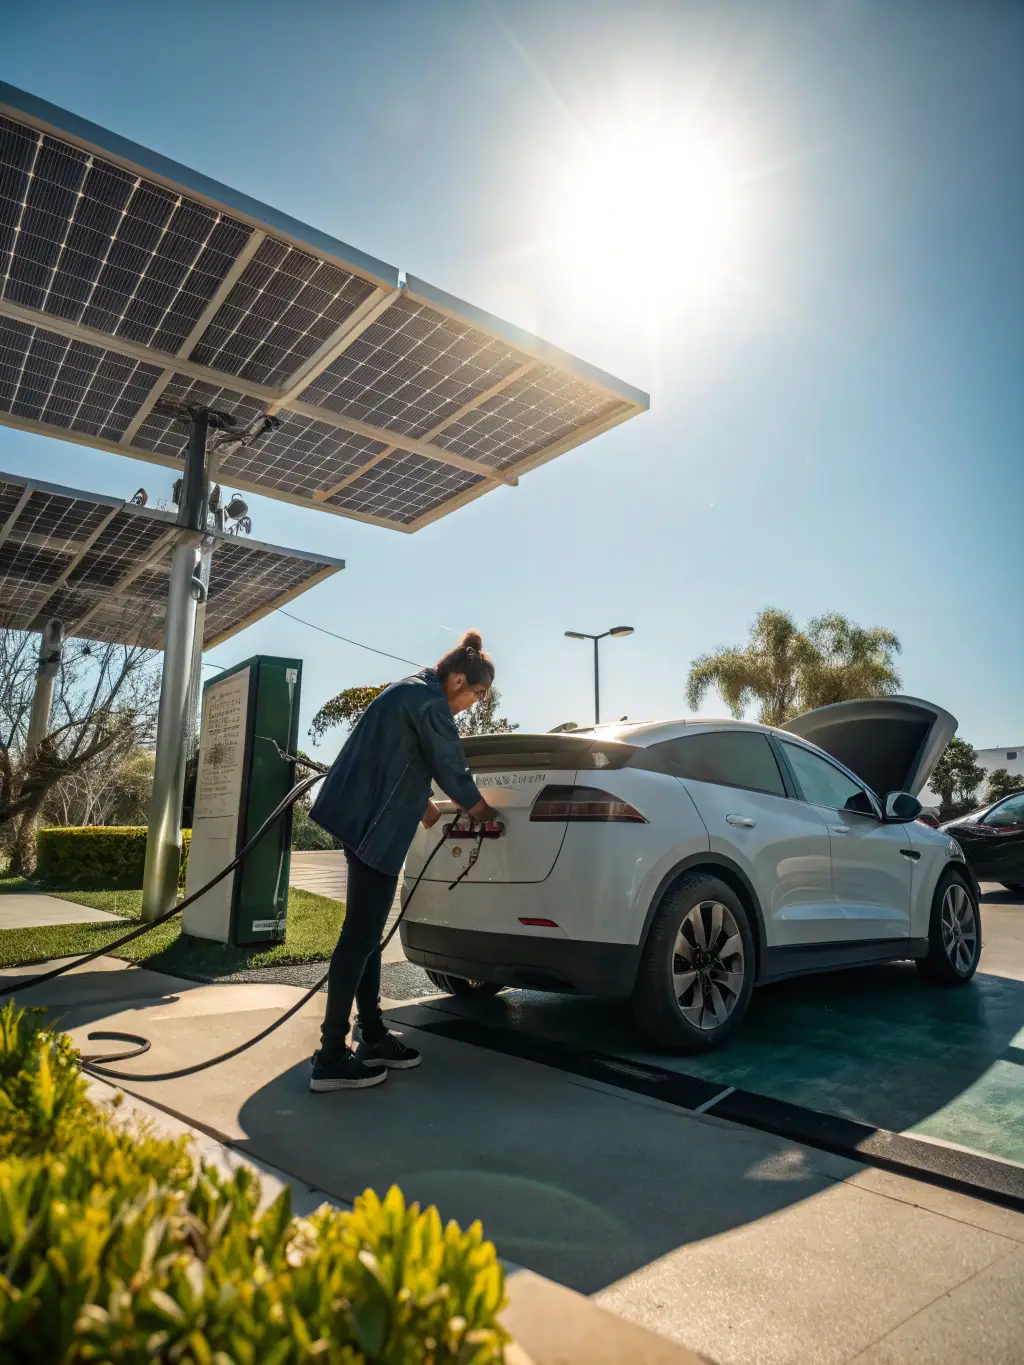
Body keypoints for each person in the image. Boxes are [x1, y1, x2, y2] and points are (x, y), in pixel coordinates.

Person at [306, 630, 498, 1092]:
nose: (473, 703)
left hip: (360, 819)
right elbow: (451, 767)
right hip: (374, 827)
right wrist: (484, 813)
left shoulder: (409, 690)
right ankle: (331, 1055)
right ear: (456, 680)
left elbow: (398, 760)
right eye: (476, 694)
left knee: (366, 935)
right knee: (360, 938)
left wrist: (427, 808)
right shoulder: (431, 703)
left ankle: (371, 1034)